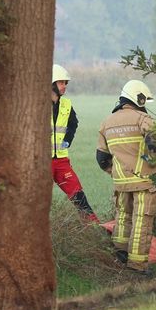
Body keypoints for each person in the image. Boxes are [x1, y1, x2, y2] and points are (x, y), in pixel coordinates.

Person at [97, 79, 156, 273]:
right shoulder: (144, 120)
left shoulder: (107, 122)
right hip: (145, 181)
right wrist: (153, 167)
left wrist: (115, 172)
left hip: (121, 183)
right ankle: (138, 266)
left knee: (123, 217)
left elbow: (101, 158)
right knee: (142, 220)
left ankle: (120, 257)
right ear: (138, 98)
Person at [50, 64, 100, 223]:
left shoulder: (66, 104)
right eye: (61, 82)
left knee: (78, 195)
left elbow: (73, 124)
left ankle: (94, 228)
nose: (64, 86)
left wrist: (67, 141)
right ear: (51, 83)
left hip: (62, 161)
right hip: (41, 162)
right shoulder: (36, 105)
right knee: (38, 200)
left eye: (66, 83)